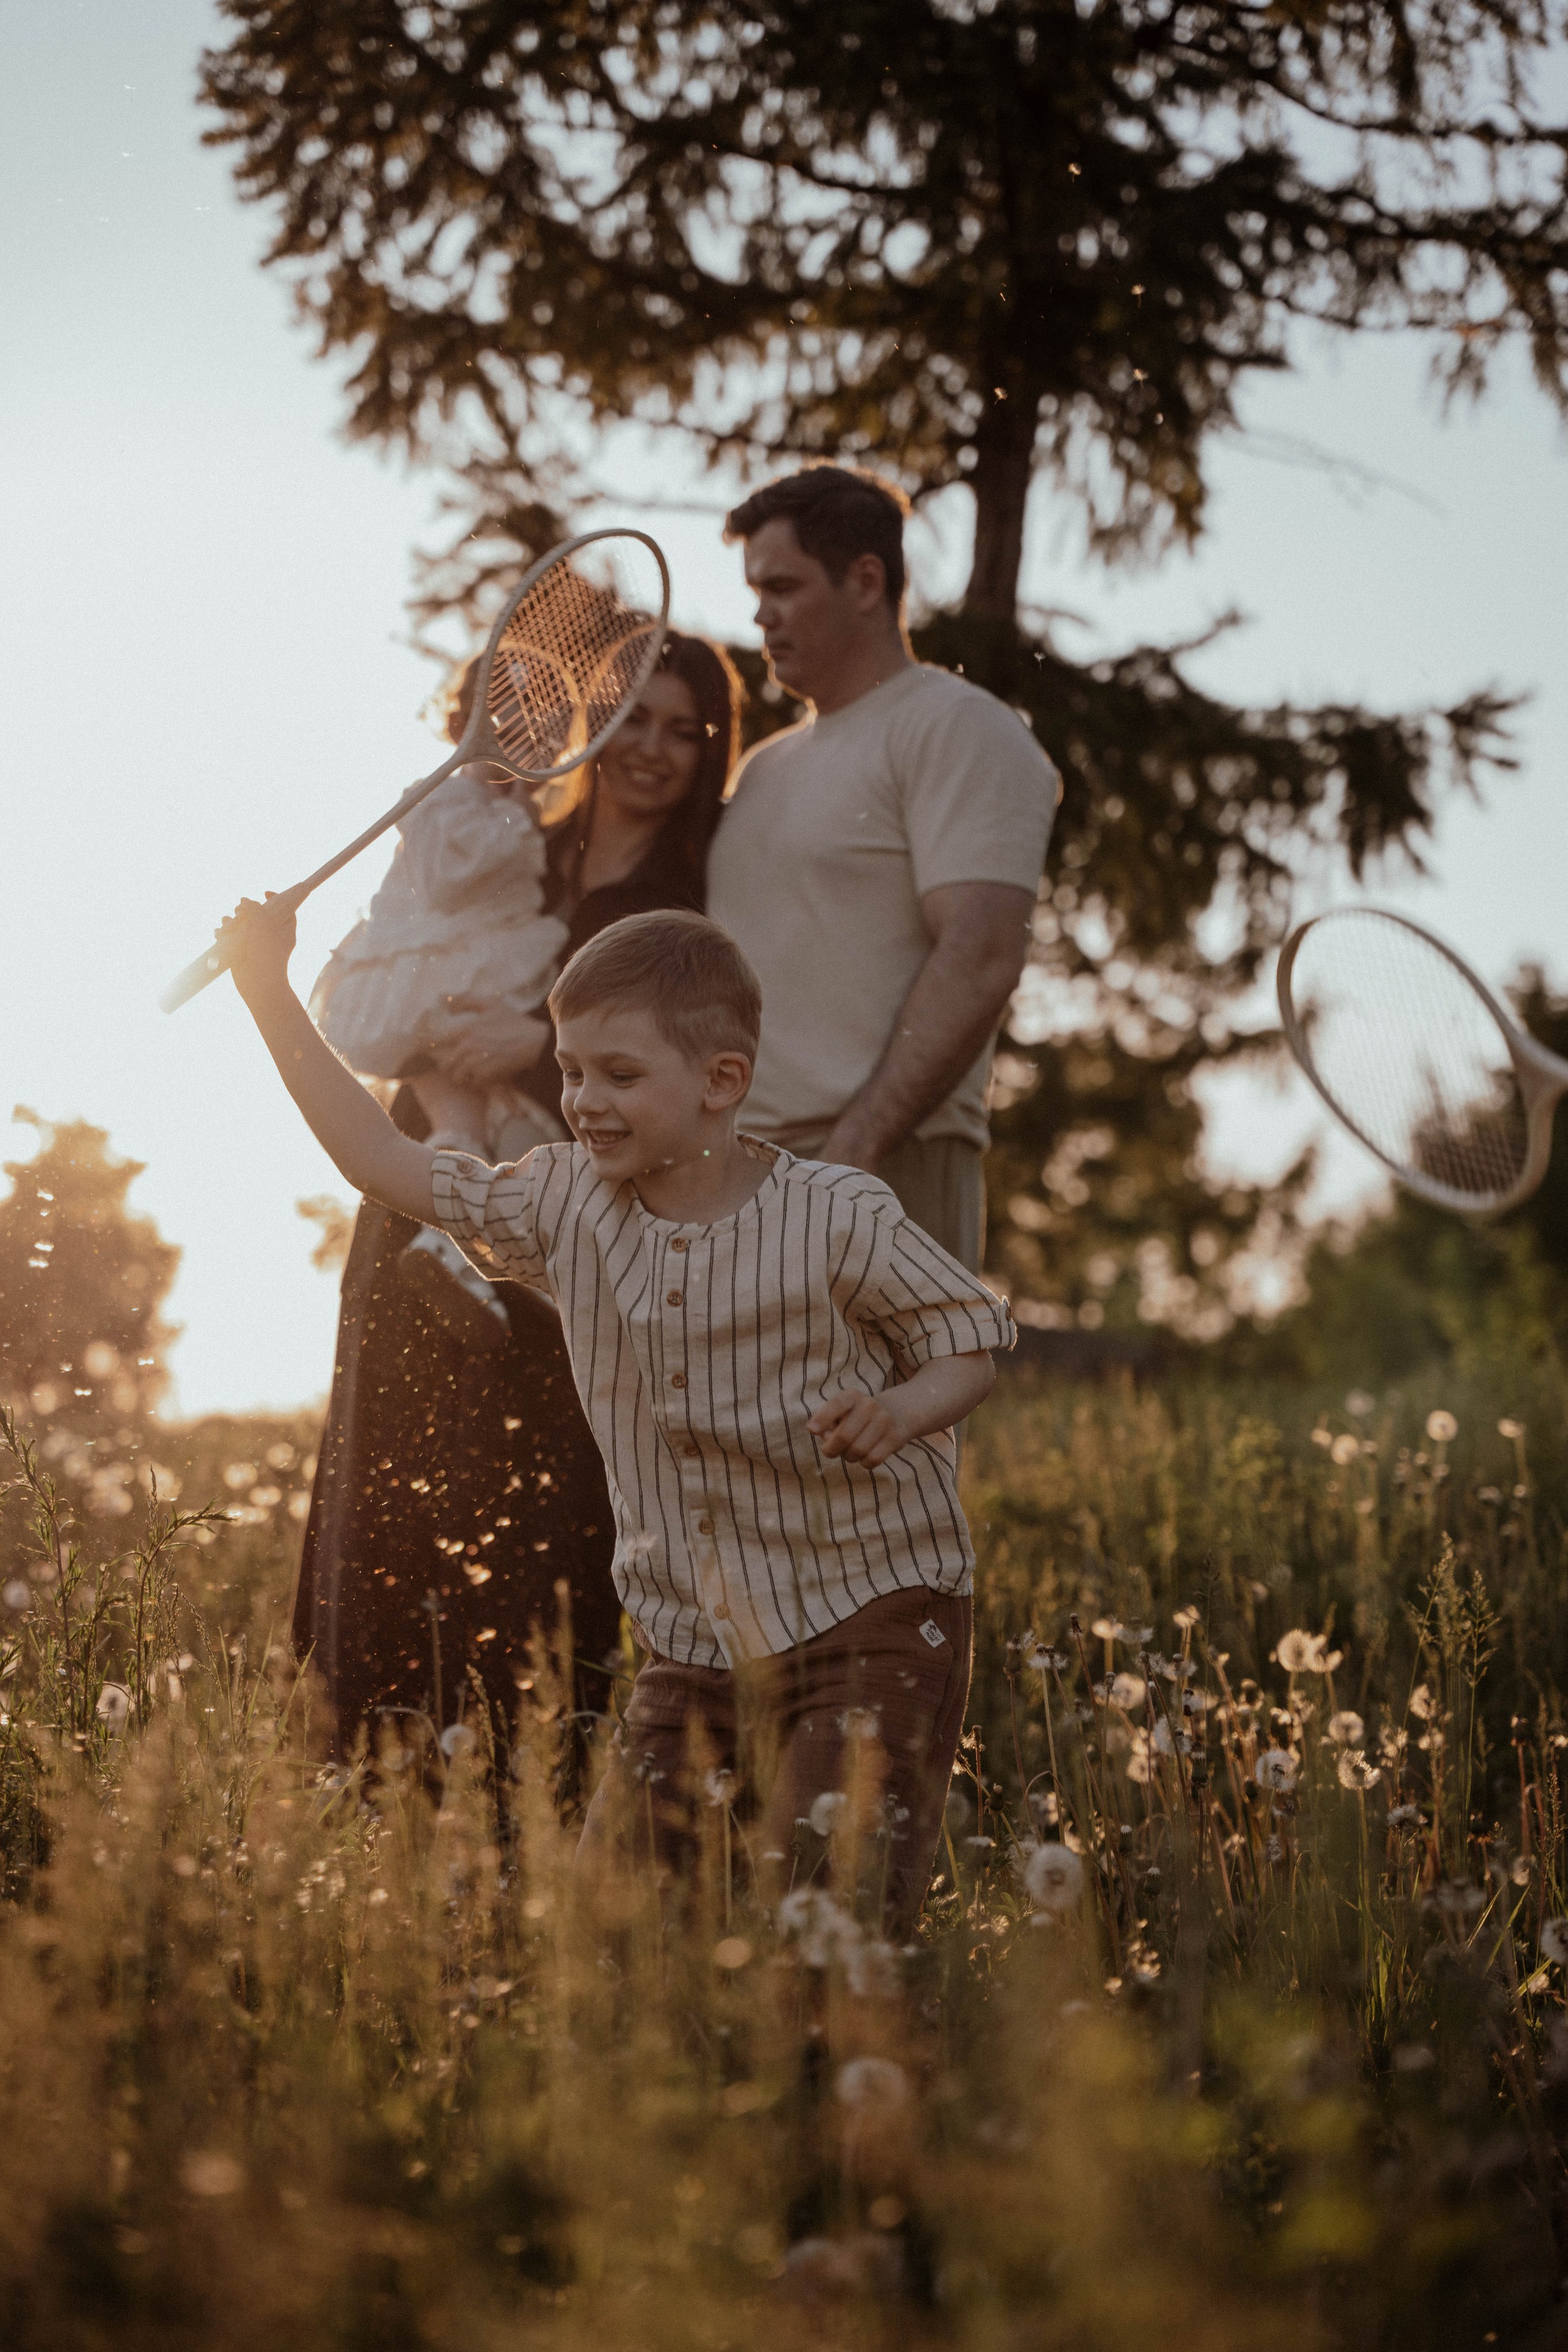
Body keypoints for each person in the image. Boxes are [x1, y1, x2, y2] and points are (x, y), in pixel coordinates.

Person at [223, 903, 1014, 1933]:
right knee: (612, 1942)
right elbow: (382, 1160)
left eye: (621, 1075)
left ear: (721, 1082)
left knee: (826, 1928)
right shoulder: (565, 1204)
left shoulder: (836, 1214)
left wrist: (901, 1408)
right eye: (571, 1070)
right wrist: (267, 992)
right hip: (693, 1650)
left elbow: (968, 1340)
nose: (584, 1101)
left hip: (870, 1620)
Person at [288, 635, 741, 1761]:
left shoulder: (686, 900)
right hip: (424, 1183)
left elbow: (680, 1068)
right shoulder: (514, 839)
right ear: (596, 721)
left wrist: (535, 1048)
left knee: (538, 1492)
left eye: (684, 730)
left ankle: (522, 1773)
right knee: (392, 1465)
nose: (652, 748)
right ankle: (371, 1767)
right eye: (635, 718)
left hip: (561, 1225)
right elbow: (405, 952)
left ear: (712, 751)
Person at [708, 464, 1061, 1274]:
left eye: (783, 587)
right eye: (755, 591)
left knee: (886, 1374)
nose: (760, 614)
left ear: (866, 581)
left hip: (883, 1165)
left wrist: (854, 1151)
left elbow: (982, 954)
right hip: (734, 1174)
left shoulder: (958, 727)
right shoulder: (761, 769)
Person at [307, 658, 570, 1346]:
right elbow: (453, 876)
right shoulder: (449, 799)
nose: (522, 735)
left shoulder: (502, 809)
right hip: (429, 976)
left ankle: (451, 1250)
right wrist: (517, 816)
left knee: (466, 1115)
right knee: (477, 1096)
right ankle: (505, 1247)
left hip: (454, 980)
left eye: (541, 727)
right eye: (505, 716)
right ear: (466, 721)